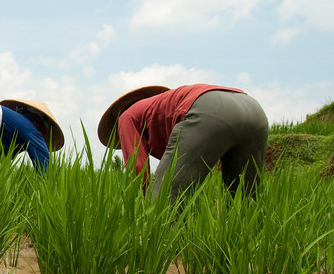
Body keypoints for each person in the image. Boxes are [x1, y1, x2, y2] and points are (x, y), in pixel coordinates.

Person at [97, 83, 268, 198]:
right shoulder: (158, 106)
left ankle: (168, 252)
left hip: (207, 108)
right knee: (243, 200)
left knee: (162, 203)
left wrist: (143, 200)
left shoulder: (126, 116)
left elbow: (138, 167)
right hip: (253, 109)